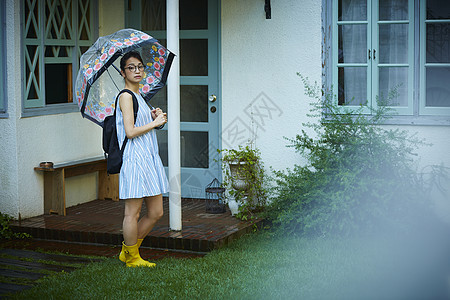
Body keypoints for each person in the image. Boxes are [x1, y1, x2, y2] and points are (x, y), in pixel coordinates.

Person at [116, 51, 169, 267]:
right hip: (135, 159)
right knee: (133, 212)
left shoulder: (140, 97)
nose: (137, 71)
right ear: (123, 72)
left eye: (140, 66)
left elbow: (144, 127)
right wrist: (155, 124)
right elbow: (130, 131)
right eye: (131, 67)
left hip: (149, 158)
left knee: (156, 212)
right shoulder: (126, 96)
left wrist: (156, 118)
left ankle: (128, 250)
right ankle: (132, 258)